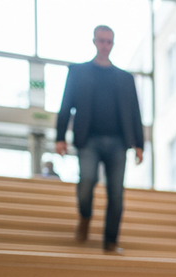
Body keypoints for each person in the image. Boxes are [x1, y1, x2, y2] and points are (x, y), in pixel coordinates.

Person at [55, 25, 144, 253]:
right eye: (101, 40)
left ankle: (110, 241)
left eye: (109, 41)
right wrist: (60, 137)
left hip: (118, 143)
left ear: (113, 44)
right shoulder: (78, 72)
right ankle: (85, 217)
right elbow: (66, 105)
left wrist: (139, 144)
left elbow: (135, 112)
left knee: (116, 193)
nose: (105, 45)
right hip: (88, 140)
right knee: (87, 181)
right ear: (94, 41)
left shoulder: (125, 78)